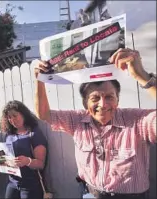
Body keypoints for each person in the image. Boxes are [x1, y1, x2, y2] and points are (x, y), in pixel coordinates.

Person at [34, 48, 156, 199]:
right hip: (90, 193)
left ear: (118, 99)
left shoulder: (137, 121)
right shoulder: (77, 120)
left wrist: (143, 77)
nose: (103, 104)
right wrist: (40, 80)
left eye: (109, 97)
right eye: (95, 98)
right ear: (85, 103)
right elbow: (44, 114)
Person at [0, 100, 47, 199]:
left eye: (15, 115)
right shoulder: (9, 135)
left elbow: (40, 164)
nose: (12, 120)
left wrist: (27, 161)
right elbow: (5, 158)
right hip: (12, 183)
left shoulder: (34, 133)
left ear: (24, 114)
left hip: (30, 186)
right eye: (9, 117)